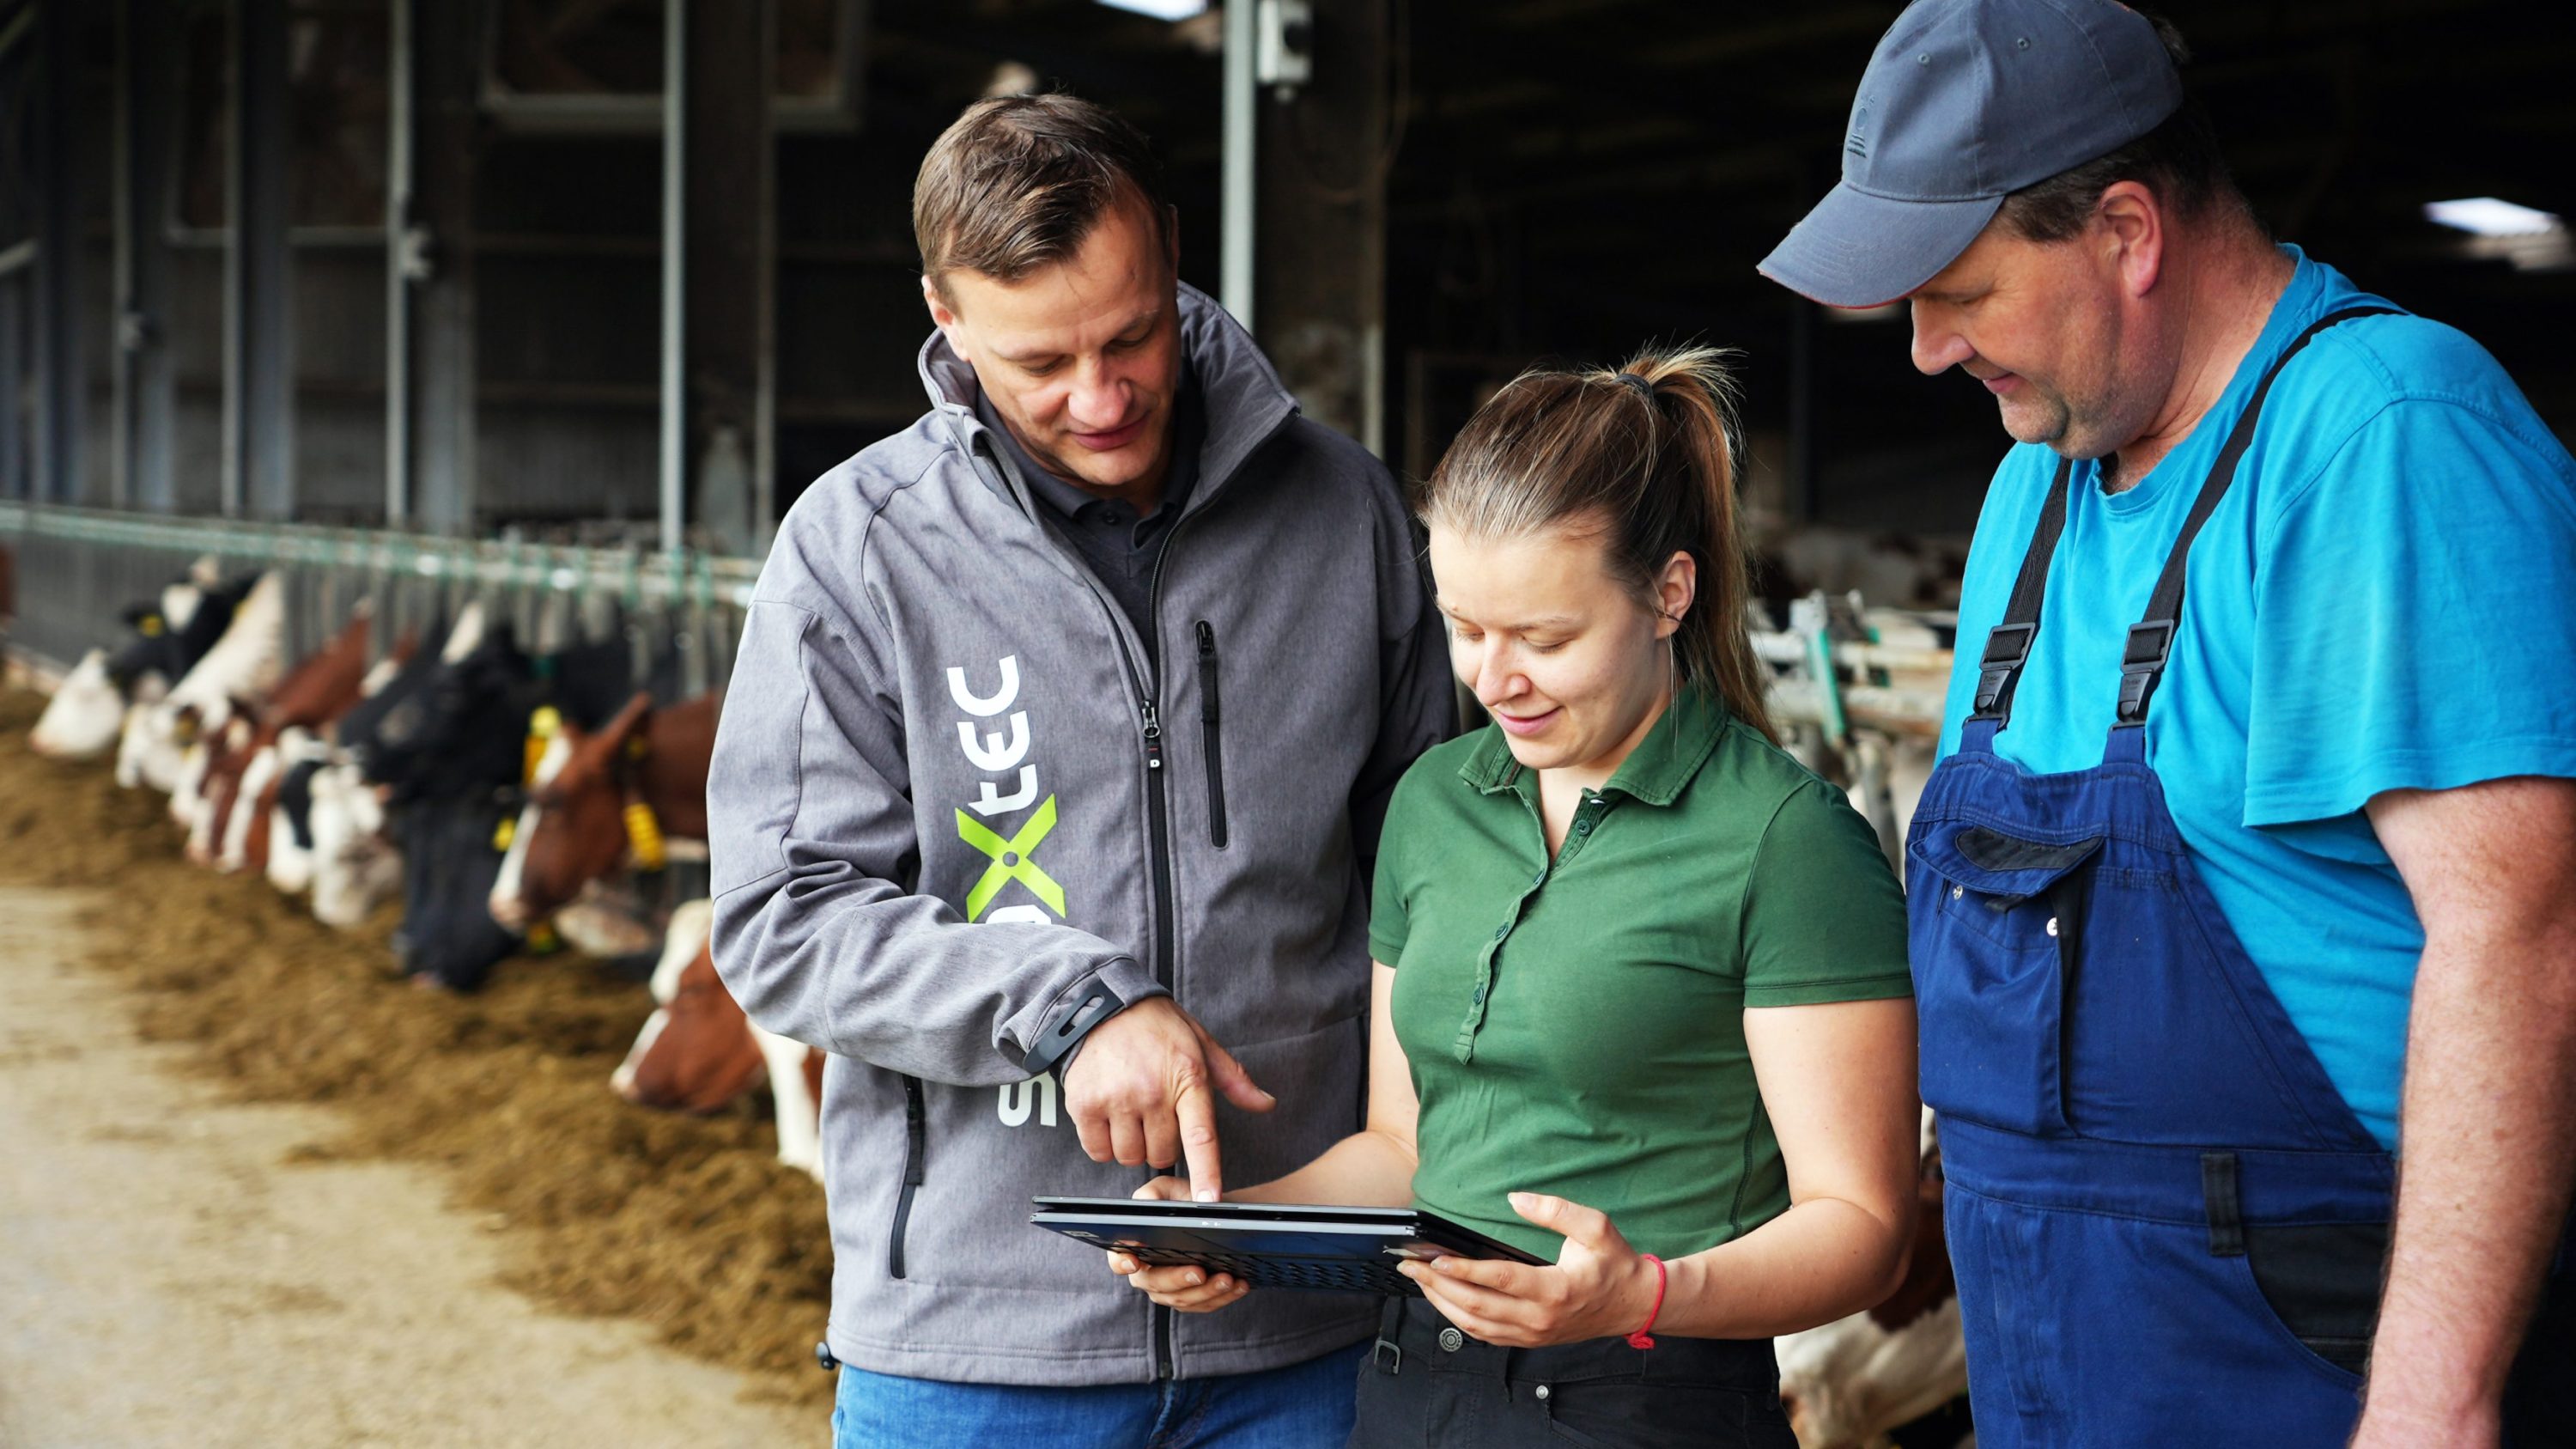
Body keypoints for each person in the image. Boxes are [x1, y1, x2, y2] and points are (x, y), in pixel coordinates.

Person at [1758, 3, 2576, 1445]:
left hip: (2312, 1365)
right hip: (2056, 1366)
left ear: (2128, 232)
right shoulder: (2033, 490)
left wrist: (2430, 1404)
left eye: (1959, 289)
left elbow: (2526, 941)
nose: (1927, 350)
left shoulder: (2381, 437)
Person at [704, 93, 1454, 1447]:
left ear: (1170, 254)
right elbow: (782, 913)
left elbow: (1436, 878)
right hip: (975, 1344)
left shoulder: (1346, 514)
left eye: (1132, 336)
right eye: (1040, 362)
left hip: (1308, 1325)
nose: (1101, 400)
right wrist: (1067, 1001)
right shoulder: (857, 549)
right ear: (945, 316)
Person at [1111, 348, 1923, 1449]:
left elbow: (1864, 1227)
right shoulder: (1433, 801)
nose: (1494, 680)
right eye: (1466, 627)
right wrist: (1233, 1230)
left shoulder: (1788, 840)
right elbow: (1405, 1150)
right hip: (1412, 1387)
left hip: (1647, 1403)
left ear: (1670, 593)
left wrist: (1642, 1292)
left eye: (1545, 638)